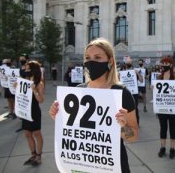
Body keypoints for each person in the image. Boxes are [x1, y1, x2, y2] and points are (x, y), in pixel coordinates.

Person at [49, 38, 139, 173]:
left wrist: (121, 127)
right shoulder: (78, 91)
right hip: (82, 162)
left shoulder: (122, 93)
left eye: (97, 57)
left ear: (110, 62)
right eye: (87, 58)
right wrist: (58, 116)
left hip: (112, 164)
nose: (91, 62)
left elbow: (134, 136)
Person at [156, 56, 175, 159]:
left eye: (166, 63)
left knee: (173, 128)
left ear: (170, 65)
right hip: (162, 107)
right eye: (162, 63)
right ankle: (162, 147)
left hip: (173, 107)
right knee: (163, 128)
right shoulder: (158, 77)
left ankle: (172, 148)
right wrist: (153, 87)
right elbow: (156, 91)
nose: (164, 65)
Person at [22, 60, 44, 166]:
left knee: (36, 133)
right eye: (25, 69)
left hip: (34, 111)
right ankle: (33, 154)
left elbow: (41, 100)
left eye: (28, 69)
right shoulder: (23, 82)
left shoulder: (39, 83)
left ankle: (39, 156)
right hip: (24, 110)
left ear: (34, 70)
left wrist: (34, 90)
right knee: (27, 134)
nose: (26, 70)